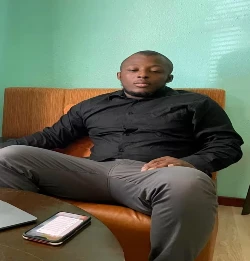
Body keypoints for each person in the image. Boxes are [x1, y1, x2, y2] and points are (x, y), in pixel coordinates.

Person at [0, 50, 243, 261]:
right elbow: (51, 137)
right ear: (120, 75)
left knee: (191, 181)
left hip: (149, 175)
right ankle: (27, 248)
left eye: (154, 70)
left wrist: (189, 162)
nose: (142, 75)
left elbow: (227, 144)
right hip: (89, 172)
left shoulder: (196, 103)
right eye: (133, 69)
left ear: (169, 77)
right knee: (10, 156)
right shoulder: (91, 105)